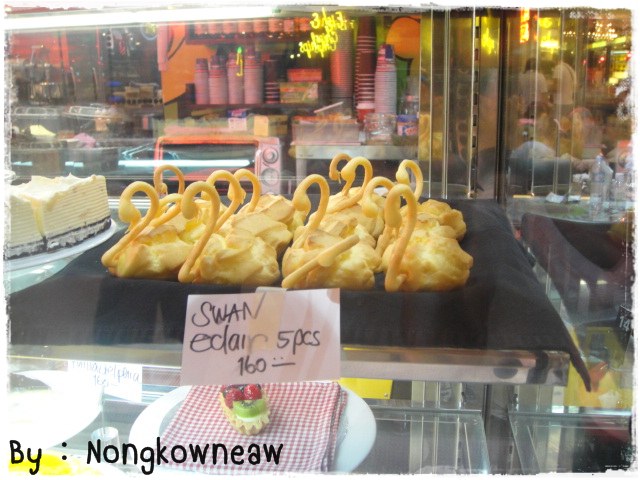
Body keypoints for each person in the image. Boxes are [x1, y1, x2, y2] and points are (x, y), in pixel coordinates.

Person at [550, 53, 577, 118]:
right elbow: (575, 87)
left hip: (560, 104)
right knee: (566, 123)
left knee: (557, 123)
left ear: (556, 59)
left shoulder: (558, 68)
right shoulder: (572, 70)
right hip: (570, 104)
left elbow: (556, 87)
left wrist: (548, 87)